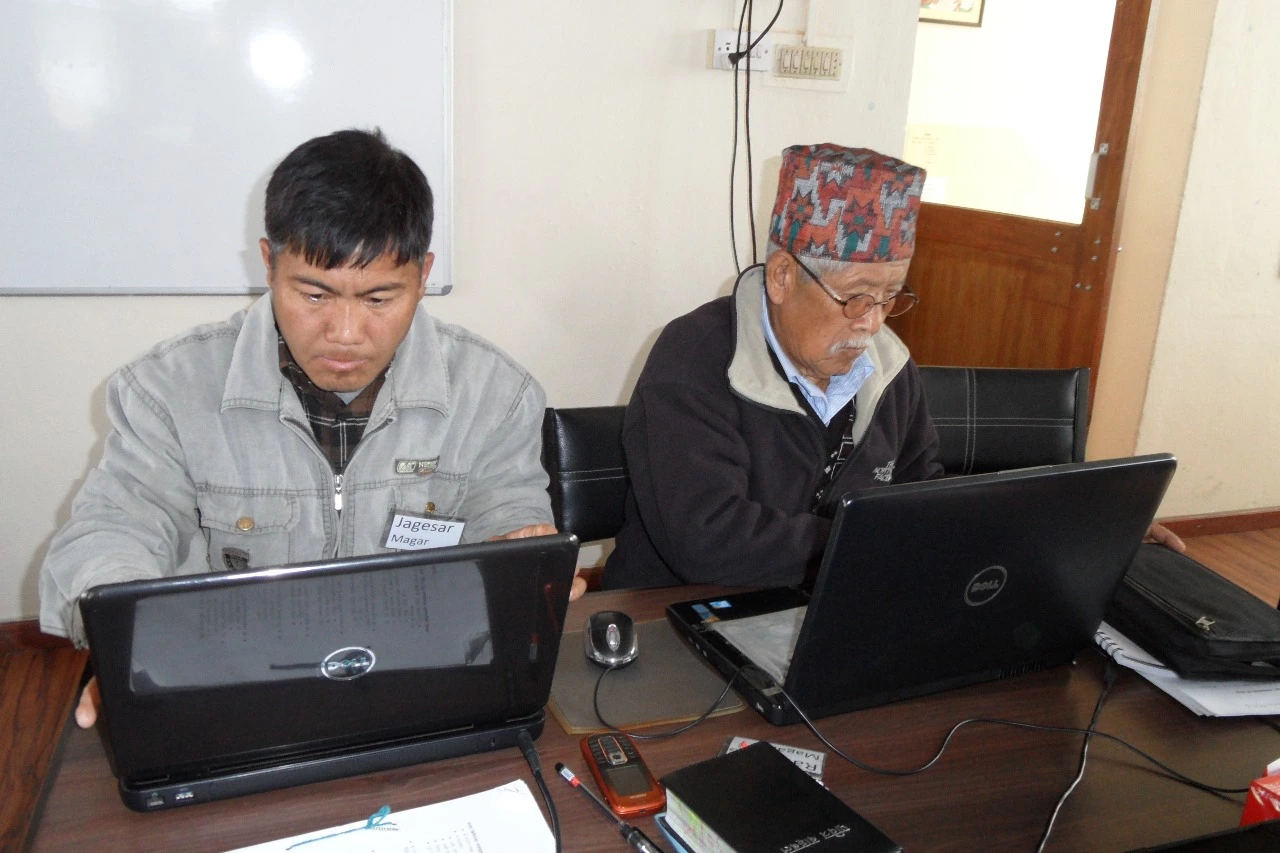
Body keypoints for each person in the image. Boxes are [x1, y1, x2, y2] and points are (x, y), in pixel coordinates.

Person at [40, 128, 584, 727]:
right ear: (269, 264)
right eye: (315, 295)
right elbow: (114, 529)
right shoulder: (167, 390)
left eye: (379, 299)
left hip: (421, 687)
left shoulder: (495, 394)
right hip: (234, 692)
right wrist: (124, 644)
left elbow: (507, 516)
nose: (345, 334)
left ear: (423, 275)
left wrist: (523, 554)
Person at [604, 144, 1182, 590]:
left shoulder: (888, 367)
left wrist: (1068, 528)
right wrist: (884, 544)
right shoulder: (696, 359)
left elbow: (919, 495)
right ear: (782, 277)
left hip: (836, 605)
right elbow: (708, 541)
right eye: (854, 296)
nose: (872, 323)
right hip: (677, 620)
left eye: (890, 297)